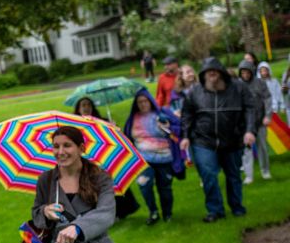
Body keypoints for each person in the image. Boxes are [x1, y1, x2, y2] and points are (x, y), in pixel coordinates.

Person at [179, 57, 259, 222]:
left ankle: (236, 206)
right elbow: (187, 114)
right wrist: (185, 136)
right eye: (208, 73)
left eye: (215, 72)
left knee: (233, 175)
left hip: (232, 140)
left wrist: (250, 131)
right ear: (203, 75)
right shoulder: (195, 92)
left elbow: (251, 108)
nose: (212, 75)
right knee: (208, 175)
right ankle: (215, 210)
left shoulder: (239, 88)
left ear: (222, 73)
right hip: (203, 141)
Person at [72, 97, 140, 220]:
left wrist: (115, 128)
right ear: (78, 108)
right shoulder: (73, 126)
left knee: (110, 186)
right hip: (85, 160)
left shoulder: (102, 122)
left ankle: (120, 212)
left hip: (103, 158)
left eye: (89, 105)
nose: (86, 107)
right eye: (83, 105)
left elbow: (117, 139)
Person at [123, 89, 184, 224]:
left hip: (164, 158)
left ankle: (167, 214)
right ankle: (153, 212)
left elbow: (180, 127)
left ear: (151, 101)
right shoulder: (133, 118)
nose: (143, 104)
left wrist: (169, 127)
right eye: (140, 102)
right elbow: (126, 138)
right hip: (144, 160)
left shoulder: (162, 113)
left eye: (145, 101)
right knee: (144, 185)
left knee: (165, 188)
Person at [237, 58, 273, 183]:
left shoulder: (260, 83)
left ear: (252, 71)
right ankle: (249, 175)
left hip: (260, 121)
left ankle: (265, 170)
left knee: (262, 147)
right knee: (246, 149)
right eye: (242, 73)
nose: (245, 75)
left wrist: (268, 116)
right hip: (245, 124)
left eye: (247, 72)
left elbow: (267, 99)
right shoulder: (238, 85)